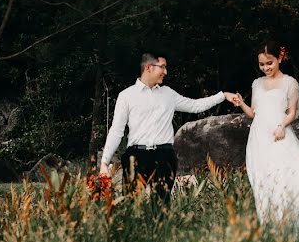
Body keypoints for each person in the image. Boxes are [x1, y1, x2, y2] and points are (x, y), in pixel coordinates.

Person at [233, 41, 299, 237]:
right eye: (262, 64)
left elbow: (292, 112)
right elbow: (253, 113)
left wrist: (282, 125)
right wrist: (241, 103)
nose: (265, 68)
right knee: (264, 179)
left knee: (289, 176)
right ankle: (273, 226)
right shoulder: (257, 84)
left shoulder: (290, 83)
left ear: (280, 59)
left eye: (269, 63)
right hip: (259, 137)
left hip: (279, 134)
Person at [99, 52, 238, 201]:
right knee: (132, 207)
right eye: (163, 67)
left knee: (162, 207)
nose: (166, 72)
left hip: (164, 157)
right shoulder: (126, 96)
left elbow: (195, 105)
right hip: (136, 157)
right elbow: (116, 131)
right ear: (148, 67)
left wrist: (223, 96)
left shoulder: (168, 94)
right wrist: (104, 162)